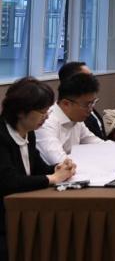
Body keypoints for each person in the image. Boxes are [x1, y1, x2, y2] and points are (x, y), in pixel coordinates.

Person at [0, 78, 77, 260]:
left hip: (20, 212)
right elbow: (8, 181)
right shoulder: (2, 136)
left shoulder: (29, 133)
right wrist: (52, 178)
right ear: (21, 112)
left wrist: (58, 169)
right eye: (42, 112)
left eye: (48, 111)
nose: (47, 117)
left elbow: (38, 169)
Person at [35, 73, 103, 165]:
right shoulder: (46, 123)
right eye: (87, 104)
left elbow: (95, 143)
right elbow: (60, 162)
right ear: (66, 104)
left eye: (93, 103)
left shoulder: (77, 120)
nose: (91, 110)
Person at [58, 61, 105, 139]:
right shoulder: (48, 123)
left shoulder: (78, 119)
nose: (90, 109)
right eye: (87, 77)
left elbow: (94, 141)